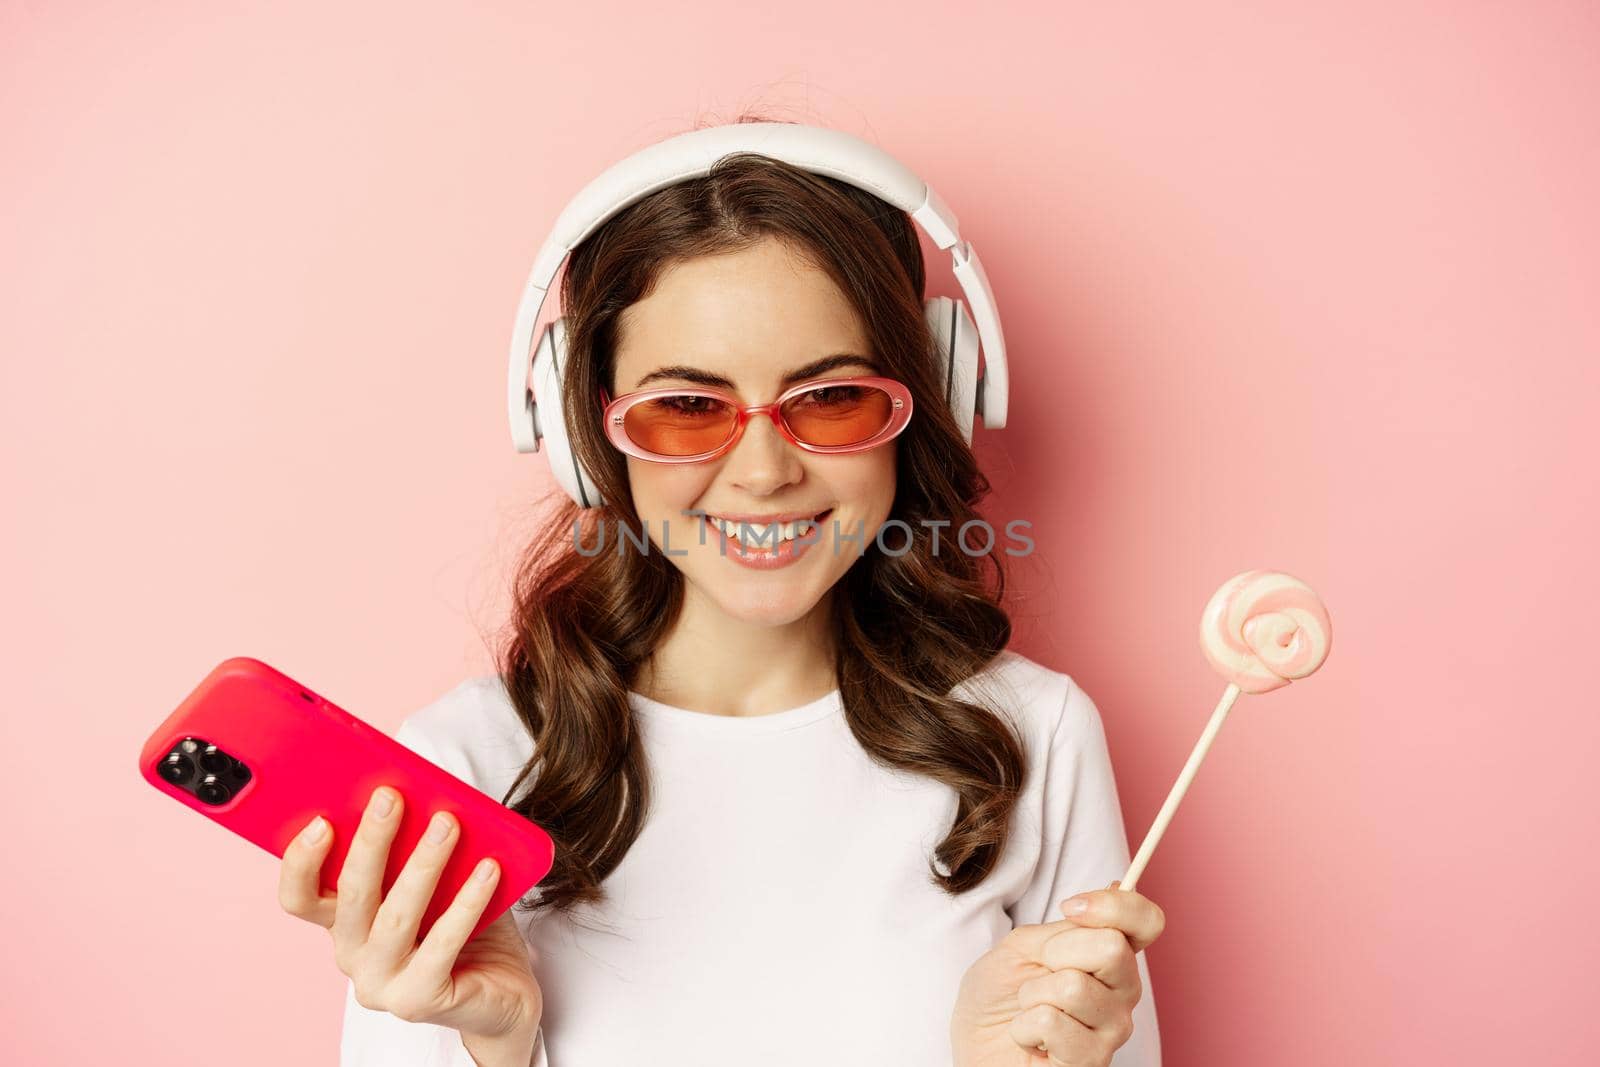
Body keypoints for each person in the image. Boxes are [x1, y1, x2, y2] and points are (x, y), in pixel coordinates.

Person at [276, 126, 1166, 1067]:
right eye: (688, 408)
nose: (765, 473)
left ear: (928, 396)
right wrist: (499, 1050)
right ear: (587, 435)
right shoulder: (457, 770)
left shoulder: (1036, 734)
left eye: (831, 398)